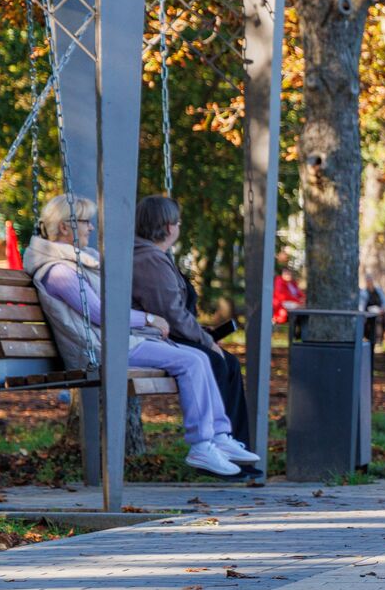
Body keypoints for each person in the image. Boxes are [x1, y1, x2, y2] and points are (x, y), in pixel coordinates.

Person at [26, 195, 259, 477]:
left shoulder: (76, 264)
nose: (90, 229)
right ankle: (200, 443)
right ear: (65, 227)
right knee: (192, 362)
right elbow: (100, 313)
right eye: (87, 222)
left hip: (115, 342)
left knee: (197, 356)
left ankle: (218, 435)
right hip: (101, 348)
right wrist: (148, 318)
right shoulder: (60, 271)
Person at [132, 195, 251, 447]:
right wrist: (206, 340)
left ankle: (231, 442)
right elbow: (170, 312)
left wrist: (203, 333)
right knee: (215, 360)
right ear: (168, 227)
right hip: (157, 336)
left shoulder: (152, 255)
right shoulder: (149, 259)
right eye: (178, 222)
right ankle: (219, 441)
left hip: (164, 333)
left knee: (226, 362)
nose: (178, 227)